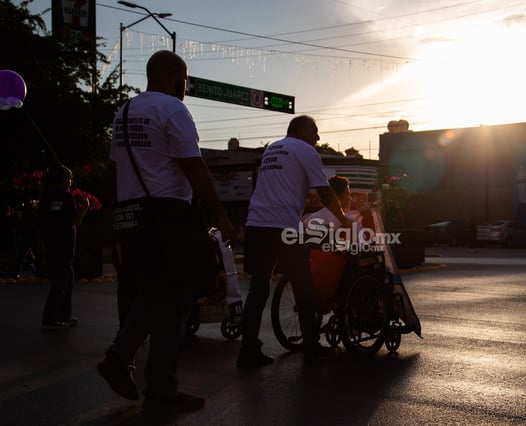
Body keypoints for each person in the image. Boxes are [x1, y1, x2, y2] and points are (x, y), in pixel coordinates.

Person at [98, 50, 234, 413]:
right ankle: (160, 387)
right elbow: (193, 166)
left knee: (154, 294)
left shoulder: (124, 112)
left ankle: (121, 357)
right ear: (174, 75)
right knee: (176, 300)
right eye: (185, 79)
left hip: (131, 216)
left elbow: (120, 166)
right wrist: (219, 215)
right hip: (167, 215)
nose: (185, 87)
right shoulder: (173, 109)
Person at [237, 115, 353, 368]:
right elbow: (325, 189)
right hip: (284, 228)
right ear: (301, 130)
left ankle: (247, 350)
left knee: (258, 289)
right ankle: (311, 347)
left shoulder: (271, 149)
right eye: (315, 132)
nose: (318, 138)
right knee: (304, 287)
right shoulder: (305, 149)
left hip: (256, 224)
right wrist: (344, 221)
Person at [38, 165, 89, 330]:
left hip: (52, 245)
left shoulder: (46, 197)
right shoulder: (66, 198)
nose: (70, 181)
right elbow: (74, 222)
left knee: (67, 280)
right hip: (65, 246)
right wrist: (85, 207)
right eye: (69, 178)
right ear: (62, 179)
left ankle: (63, 315)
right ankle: (51, 317)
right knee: (61, 283)